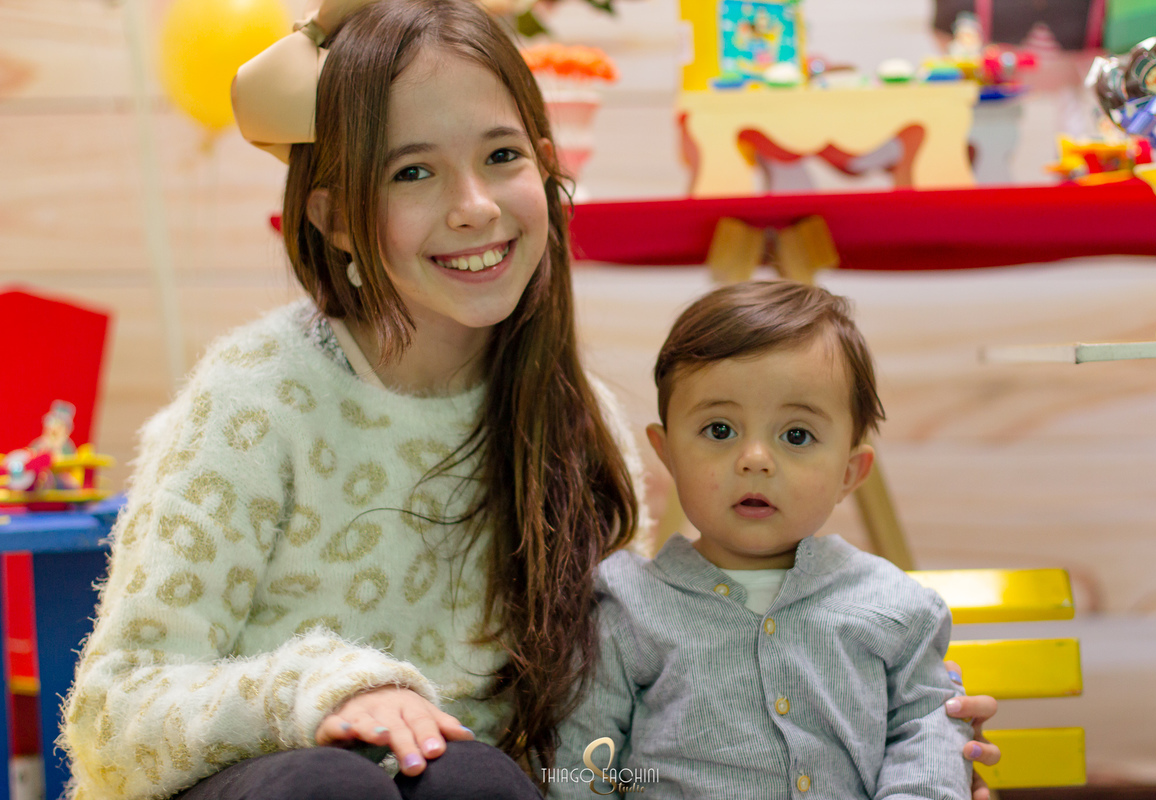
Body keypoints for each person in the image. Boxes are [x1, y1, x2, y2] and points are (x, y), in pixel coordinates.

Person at [58, 2, 999, 799]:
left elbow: (612, 714)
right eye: (412, 171)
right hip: (276, 785)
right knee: (336, 785)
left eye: (501, 156)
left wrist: (889, 736)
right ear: (335, 215)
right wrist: (329, 694)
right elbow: (112, 711)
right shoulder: (253, 403)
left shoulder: (575, 427)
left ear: (546, 168)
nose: (474, 205)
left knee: (479, 781)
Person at [550, 281, 983, 800]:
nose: (755, 459)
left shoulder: (893, 606)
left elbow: (929, 734)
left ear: (849, 473)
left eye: (796, 435)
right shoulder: (626, 607)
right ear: (667, 454)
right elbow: (579, 762)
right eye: (719, 430)